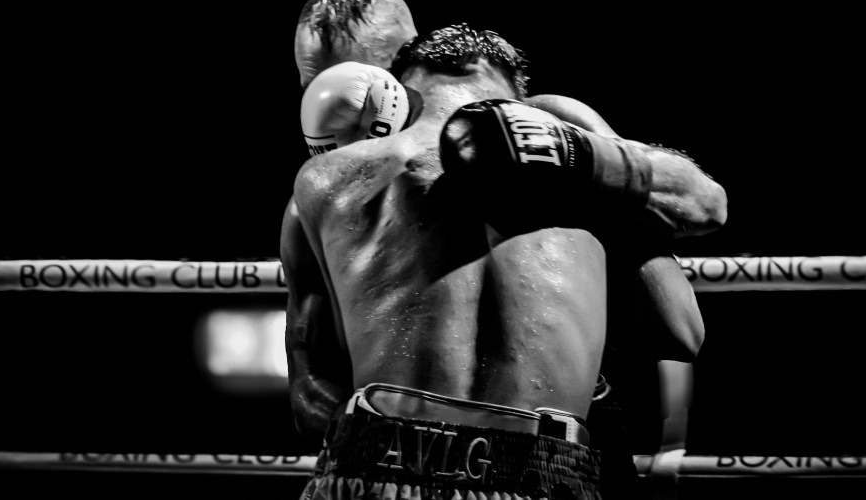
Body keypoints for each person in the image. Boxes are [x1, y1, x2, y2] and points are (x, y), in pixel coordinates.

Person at [283, 24, 726, 498]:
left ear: (400, 87)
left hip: (367, 458)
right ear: (515, 84)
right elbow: (681, 327)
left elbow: (309, 399)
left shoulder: (323, 179)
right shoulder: (566, 132)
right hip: (539, 464)